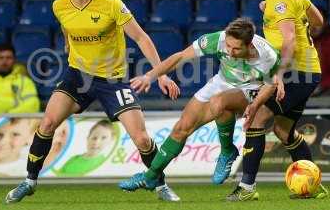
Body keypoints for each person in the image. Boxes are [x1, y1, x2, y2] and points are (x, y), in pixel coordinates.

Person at [5, 0, 180, 204]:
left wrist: (160, 74)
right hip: (78, 75)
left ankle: (160, 184)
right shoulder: (59, 5)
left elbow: (140, 37)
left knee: (141, 138)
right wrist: (68, 44)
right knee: (47, 123)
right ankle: (30, 181)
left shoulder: (111, 3)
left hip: (113, 80)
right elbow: (67, 28)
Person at [118, 18, 281, 193]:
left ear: (249, 45)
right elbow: (180, 57)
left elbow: (271, 85)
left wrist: (255, 106)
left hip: (251, 89)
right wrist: (150, 76)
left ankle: (226, 151)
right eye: (228, 46)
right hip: (222, 82)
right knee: (182, 128)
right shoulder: (217, 40)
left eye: (236, 48)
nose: (230, 52)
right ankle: (150, 177)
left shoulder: (268, 56)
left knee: (218, 102)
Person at [225, 0, 328, 201]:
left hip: (295, 72)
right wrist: (276, 10)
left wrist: (278, 75)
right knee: (283, 131)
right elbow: (318, 20)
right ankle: (312, 184)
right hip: (308, 70)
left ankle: (246, 188)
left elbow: (290, 39)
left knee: (256, 120)